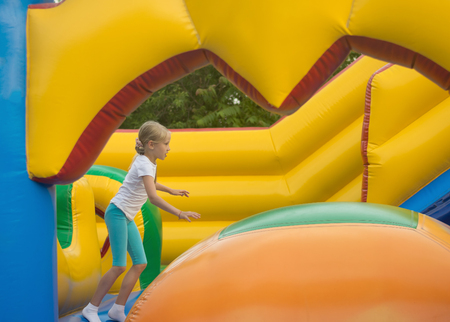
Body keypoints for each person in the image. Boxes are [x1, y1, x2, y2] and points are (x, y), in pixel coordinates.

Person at [82, 121, 201, 322]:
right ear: (152, 144)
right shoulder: (144, 162)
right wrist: (179, 212)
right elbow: (152, 197)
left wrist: (172, 190)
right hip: (118, 213)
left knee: (140, 263)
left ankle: (117, 309)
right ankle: (91, 308)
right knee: (119, 266)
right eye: (166, 143)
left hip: (125, 215)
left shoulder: (147, 161)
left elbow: (151, 182)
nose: (169, 148)